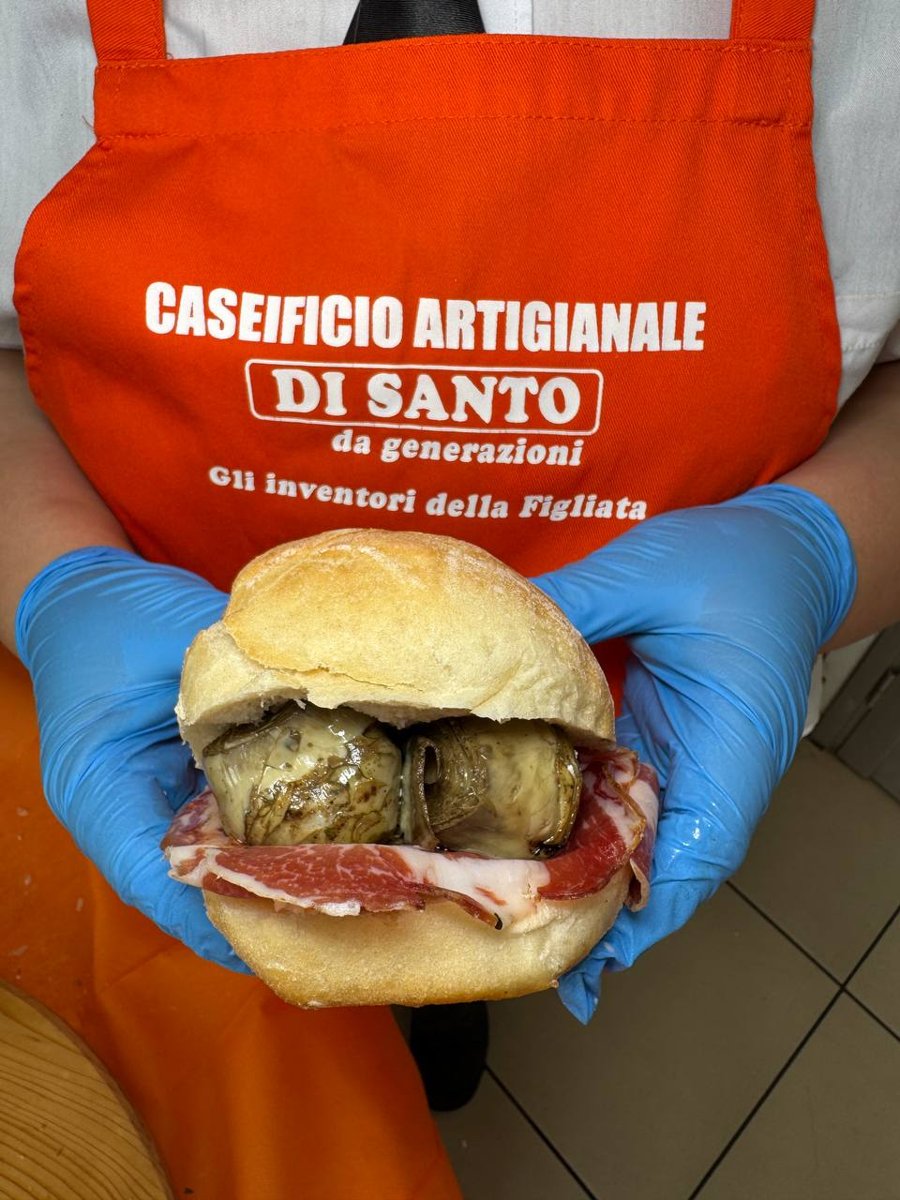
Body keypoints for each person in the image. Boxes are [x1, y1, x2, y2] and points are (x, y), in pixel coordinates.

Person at [2, 1, 899, 1195]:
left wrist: (821, 547)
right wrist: (54, 575)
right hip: (174, 716)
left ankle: (452, 993)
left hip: (629, 724)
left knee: (475, 898)